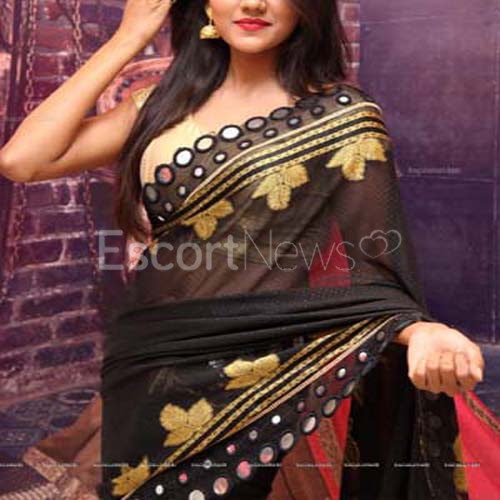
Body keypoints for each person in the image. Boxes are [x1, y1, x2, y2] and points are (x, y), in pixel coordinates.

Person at [0, 1, 489, 499]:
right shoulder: (158, 106)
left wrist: (420, 330)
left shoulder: (340, 119)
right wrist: (127, 39)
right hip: (147, 354)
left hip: (253, 369)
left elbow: (373, 261)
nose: (253, 2)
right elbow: (23, 160)